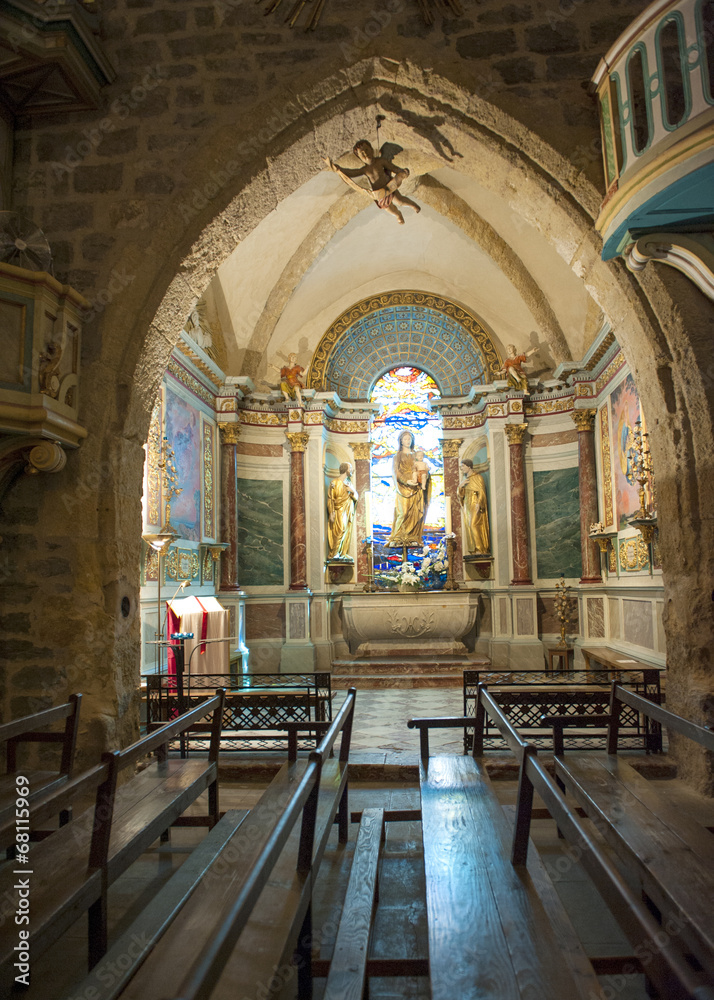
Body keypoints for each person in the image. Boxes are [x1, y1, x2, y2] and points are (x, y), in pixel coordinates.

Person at [324, 140, 421, 225]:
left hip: (389, 186)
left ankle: (413, 205)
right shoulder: (365, 170)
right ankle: (398, 214)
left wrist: (401, 172)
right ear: (360, 158)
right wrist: (337, 169)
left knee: (400, 200)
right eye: (362, 153)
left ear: (371, 149)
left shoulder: (381, 161)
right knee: (389, 209)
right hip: (380, 194)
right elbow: (351, 173)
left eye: (366, 150)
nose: (365, 154)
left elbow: (392, 167)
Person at [387, 430, 431, 547]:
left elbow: (423, 467)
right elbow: (395, 472)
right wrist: (406, 481)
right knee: (403, 512)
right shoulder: (397, 456)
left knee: (415, 512)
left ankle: (412, 536)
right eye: (405, 439)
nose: (407, 441)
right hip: (403, 487)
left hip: (416, 486)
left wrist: (422, 475)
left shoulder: (416, 455)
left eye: (409, 439)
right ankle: (397, 537)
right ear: (401, 441)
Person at [327, 462, 358, 559]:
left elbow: (355, 497)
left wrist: (352, 491)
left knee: (346, 530)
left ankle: (343, 552)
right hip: (338, 510)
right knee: (340, 529)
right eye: (350, 468)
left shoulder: (349, 483)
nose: (352, 470)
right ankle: (334, 553)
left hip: (348, 510)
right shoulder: (335, 482)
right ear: (345, 469)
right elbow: (330, 499)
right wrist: (331, 512)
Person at [458, 459, 490, 554]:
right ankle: (474, 550)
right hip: (467, 504)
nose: (462, 468)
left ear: (469, 466)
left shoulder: (478, 477)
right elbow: (461, 496)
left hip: (475, 503)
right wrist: (460, 487)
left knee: (474, 525)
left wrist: (479, 503)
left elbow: (482, 492)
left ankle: (481, 549)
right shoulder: (465, 480)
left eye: (463, 466)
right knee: (469, 526)